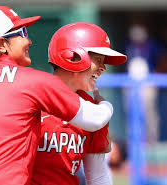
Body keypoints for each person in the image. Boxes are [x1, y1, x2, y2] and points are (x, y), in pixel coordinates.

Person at [0, 6, 115, 185]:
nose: (29, 40)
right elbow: (95, 118)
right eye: (22, 32)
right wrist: (105, 104)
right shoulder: (30, 82)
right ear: (1, 44)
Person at [31, 22, 127, 185]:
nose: (103, 67)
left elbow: (98, 176)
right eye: (98, 59)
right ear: (73, 56)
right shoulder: (31, 97)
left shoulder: (93, 109)